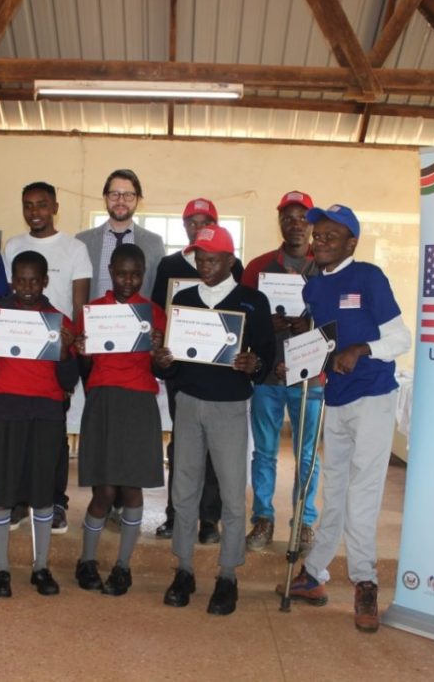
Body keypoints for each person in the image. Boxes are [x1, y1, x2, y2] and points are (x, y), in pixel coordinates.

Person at [284, 204, 411, 633]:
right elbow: (322, 338)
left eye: (330, 237)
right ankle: (316, 574)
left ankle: (365, 581)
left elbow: (400, 336)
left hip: (373, 395)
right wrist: (299, 347)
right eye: (317, 235)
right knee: (333, 487)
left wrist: (361, 350)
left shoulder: (369, 277)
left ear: (350, 242)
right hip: (334, 398)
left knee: (363, 491)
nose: (319, 242)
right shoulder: (313, 285)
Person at [154, 222, 276, 616]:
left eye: (212, 260)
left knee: (230, 493)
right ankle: (184, 569)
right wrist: (164, 363)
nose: (204, 266)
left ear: (230, 259)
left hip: (228, 408)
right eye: (200, 259)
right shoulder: (185, 298)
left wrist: (253, 364)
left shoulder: (252, 302)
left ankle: (228, 575)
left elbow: (266, 358)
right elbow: (172, 364)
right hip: (188, 403)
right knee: (184, 489)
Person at [0, 250, 80, 598]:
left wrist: (63, 354)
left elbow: (70, 380)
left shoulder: (60, 322)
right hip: (4, 411)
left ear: (46, 281)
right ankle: (1, 569)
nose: (27, 287)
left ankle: (40, 567)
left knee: (43, 493)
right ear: (12, 281)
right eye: (20, 280)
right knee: (1, 493)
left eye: (34, 280)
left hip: (46, 414)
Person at [150, 198, 245, 543]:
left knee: (217, 449)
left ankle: (209, 519)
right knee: (183, 446)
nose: (196, 226)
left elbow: (241, 319)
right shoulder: (168, 264)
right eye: (191, 221)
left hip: (221, 374)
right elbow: (161, 311)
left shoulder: (234, 265)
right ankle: (177, 515)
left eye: (204, 221)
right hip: (184, 372)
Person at [73, 244, 166, 596]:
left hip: (139, 402)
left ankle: (123, 566)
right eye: (121, 273)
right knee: (103, 490)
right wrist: (82, 352)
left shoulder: (154, 313)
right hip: (104, 401)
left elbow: (162, 367)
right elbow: (85, 367)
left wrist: (160, 351)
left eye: (135, 274)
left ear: (144, 274)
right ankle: (86, 560)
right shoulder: (93, 311)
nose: (128, 280)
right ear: (110, 271)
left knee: (131, 489)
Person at [3, 182, 93, 533]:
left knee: (53, 436)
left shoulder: (74, 248)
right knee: (20, 434)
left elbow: (79, 304)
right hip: (18, 353)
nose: (35, 211)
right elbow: (8, 297)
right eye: (28, 205)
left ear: (56, 206)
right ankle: (19, 501)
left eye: (42, 204)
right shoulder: (13, 246)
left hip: (57, 354)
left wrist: (72, 348)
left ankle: (55, 501)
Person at [241, 191, 323, 551]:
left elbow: (341, 323)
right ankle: (262, 518)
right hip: (268, 378)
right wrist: (265, 324)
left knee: (307, 454)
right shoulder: (258, 267)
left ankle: (303, 522)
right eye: (288, 217)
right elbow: (240, 320)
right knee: (265, 452)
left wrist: (313, 327)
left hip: (311, 379)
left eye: (302, 217)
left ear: (312, 223)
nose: (295, 224)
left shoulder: (326, 266)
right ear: (280, 222)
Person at [76, 169, 165, 300]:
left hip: (139, 319)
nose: (121, 201)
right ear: (105, 197)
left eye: (128, 195)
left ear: (138, 199)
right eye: (114, 194)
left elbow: (158, 292)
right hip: (95, 319)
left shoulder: (154, 243)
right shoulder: (83, 241)